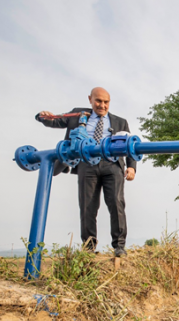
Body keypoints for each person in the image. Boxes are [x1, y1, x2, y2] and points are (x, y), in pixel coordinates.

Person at [35, 87, 135, 257]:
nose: (102, 105)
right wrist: (42, 116)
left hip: (112, 165)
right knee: (87, 206)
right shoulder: (78, 114)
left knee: (116, 203)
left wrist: (131, 166)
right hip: (86, 164)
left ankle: (119, 246)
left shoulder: (120, 121)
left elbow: (129, 144)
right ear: (90, 99)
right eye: (98, 101)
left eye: (106, 102)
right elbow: (55, 121)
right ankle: (88, 248)